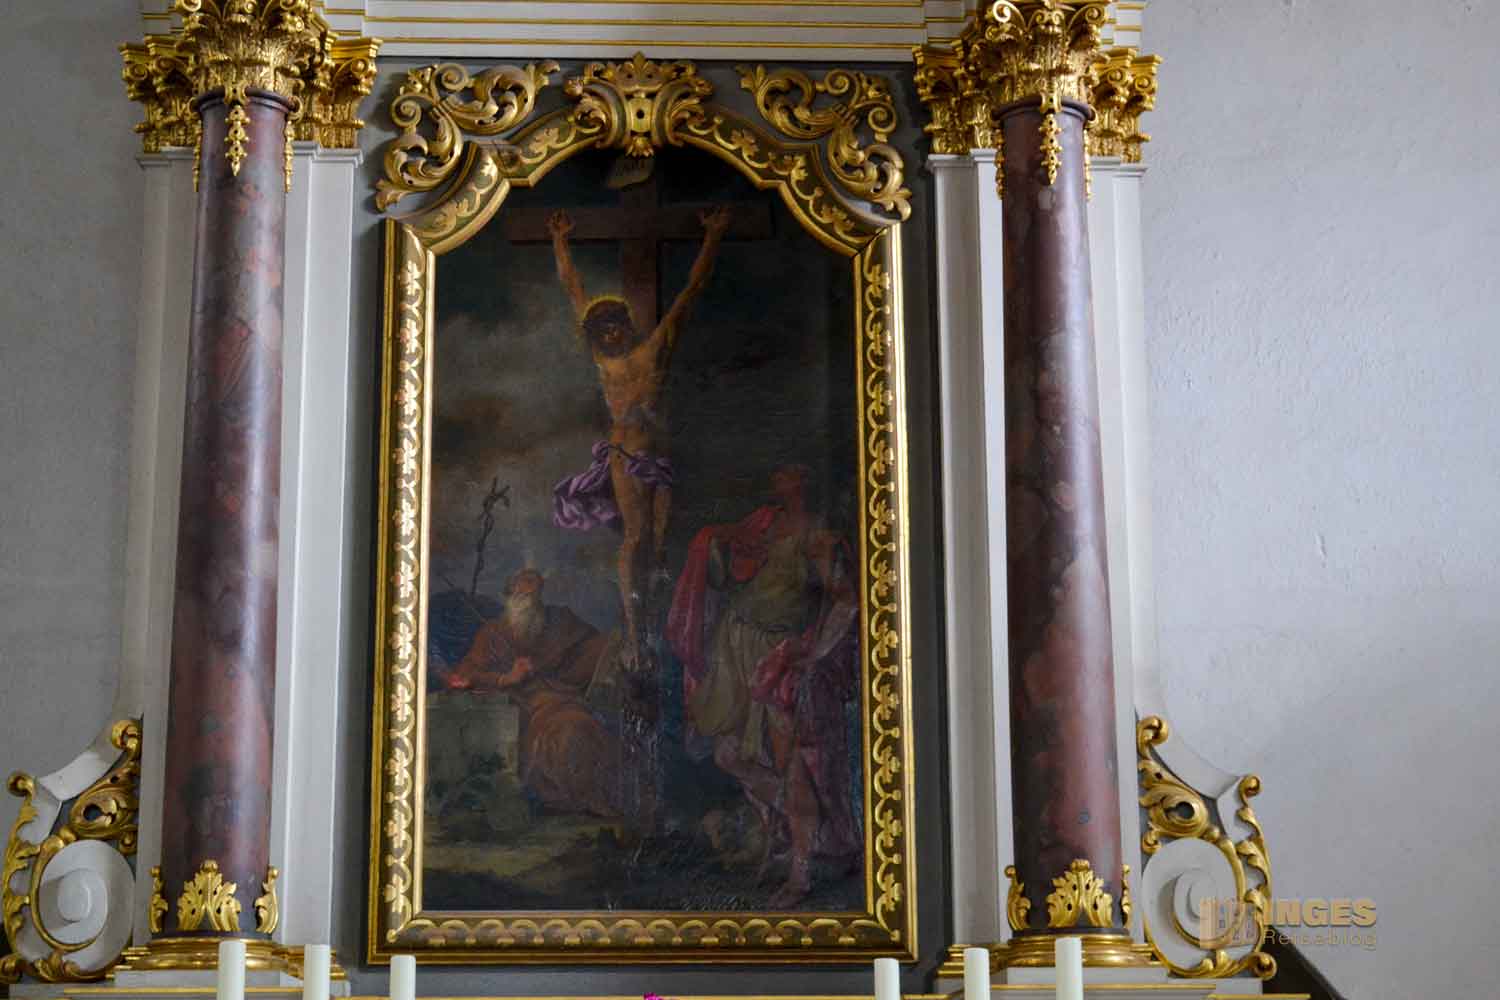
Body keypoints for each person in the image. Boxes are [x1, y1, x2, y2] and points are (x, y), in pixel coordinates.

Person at [666, 466, 861, 906]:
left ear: (806, 481)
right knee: (728, 753)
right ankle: (795, 836)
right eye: (780, 475)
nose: (783, 480)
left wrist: (814, 653)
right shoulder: (766, 522)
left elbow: (846, 598)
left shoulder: (817, 536)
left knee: (791, 762)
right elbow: (731, 550)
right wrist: (712, 541)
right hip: (736, 650)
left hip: (775, 656)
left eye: (794, 474)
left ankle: (801, 870)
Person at [548, 206, 732, 667]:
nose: (610, 333)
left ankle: (663, 629)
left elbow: (690, 292)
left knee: (662, 540)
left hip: (659, 454)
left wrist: (713, 235)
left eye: (615, 325)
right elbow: (574, 290)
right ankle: (633, 636)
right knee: (635, 538)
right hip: (626, 455)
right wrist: (559, 241)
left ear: (626, 324)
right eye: (602, 329)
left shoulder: (654, 350)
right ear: (596, 335)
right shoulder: (605, 365)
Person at [447, 569, 622, 819]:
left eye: (534, 588)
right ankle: (576, 797)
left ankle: (600, 797)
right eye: (522, 587)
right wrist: (507, 678)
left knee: (587, 725)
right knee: (569, 730)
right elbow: (464, 676)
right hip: (524, 706)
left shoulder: (560, 621)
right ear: (510, 593)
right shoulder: (491, 633)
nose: (529, 593)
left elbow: (595, 646)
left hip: (563, 696)